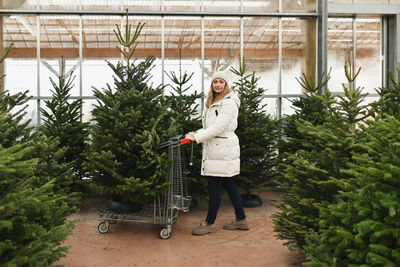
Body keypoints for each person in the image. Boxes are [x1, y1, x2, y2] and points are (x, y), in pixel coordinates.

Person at [186, 71, 249, 236]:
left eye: (221, 82)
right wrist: (196, 133)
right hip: (218, 148)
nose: (218, 85)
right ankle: (241, 219)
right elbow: (210, 127)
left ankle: (209, 223)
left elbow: (219, 128)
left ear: (226, 85)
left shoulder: (228, 103)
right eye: (215, 82)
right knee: (228, 183)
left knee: (214, 185)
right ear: (212, 85)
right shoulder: (214, 101)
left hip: (221, 149)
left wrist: (198, 138)